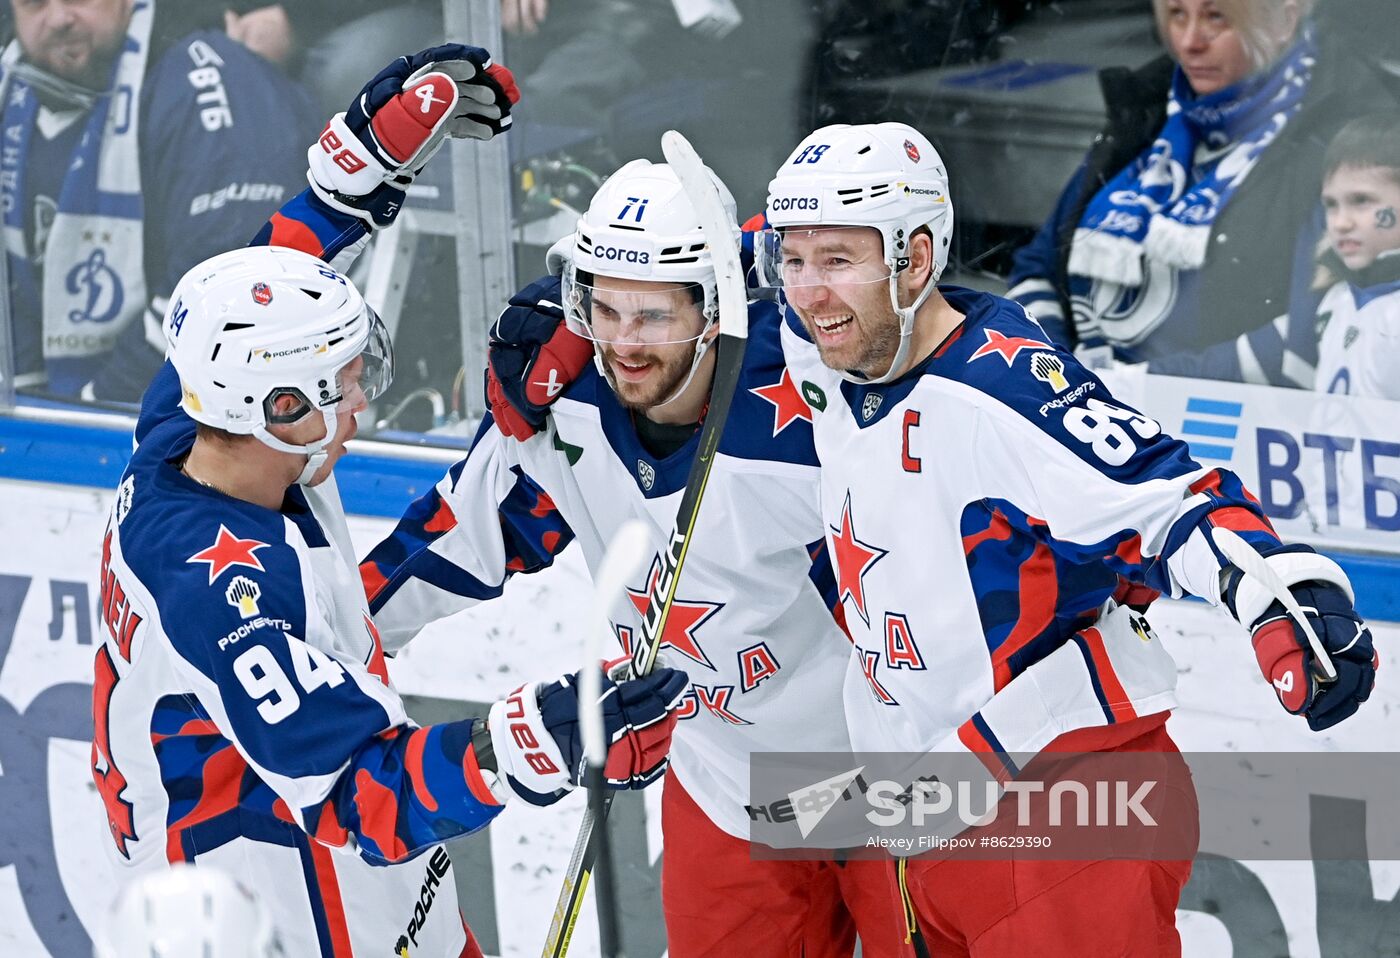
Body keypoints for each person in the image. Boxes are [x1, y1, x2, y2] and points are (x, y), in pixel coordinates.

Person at [322, 108, 1187, 952]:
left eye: (656, 314)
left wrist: (1118, 567)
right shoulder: (563, 399)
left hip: (879, 778)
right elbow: (430, 557)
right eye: (602, 308)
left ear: (716, 308)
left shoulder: (818, 383)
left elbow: (900, 339)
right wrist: (308, 659)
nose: (624, 343)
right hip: (724, 783)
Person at [90, 50, 692, 958]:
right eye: (339, 384)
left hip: (336, 865)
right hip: (276, 901)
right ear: (277, 408)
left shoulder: (199, 425)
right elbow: (357, 795)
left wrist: (353, 178)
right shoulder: (220, 592)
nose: (361, 403)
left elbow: (261, 286)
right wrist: (532, 738)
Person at [757, 120, 1377, 955]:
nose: (806, 290)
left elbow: (1173, 498)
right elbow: (701, 281)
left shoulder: (1003, 389)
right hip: (921, 807)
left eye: (836, 260)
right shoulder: (838, 342)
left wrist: (1283, 597)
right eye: (791, 260)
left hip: (1059, 806)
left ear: (914, 258)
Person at [1006, 0, 1398, 382]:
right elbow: (1037, 264)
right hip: (1085, 402)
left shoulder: (1347, 136)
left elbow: (1317, 334)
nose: (1190, 41)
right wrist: (1055, 372)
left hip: (1226, 424)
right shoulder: (1149, 105)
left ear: (1283, 22)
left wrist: (1138, 387)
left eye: (1216, 17)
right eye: (1177, 14)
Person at [1, 0, 316, 402]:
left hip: (214, 403)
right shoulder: (14, 90)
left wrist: (104, 400)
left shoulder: (207, 79)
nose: (59, 17)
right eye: (34, 3)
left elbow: (230, 283)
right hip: (60, 411)